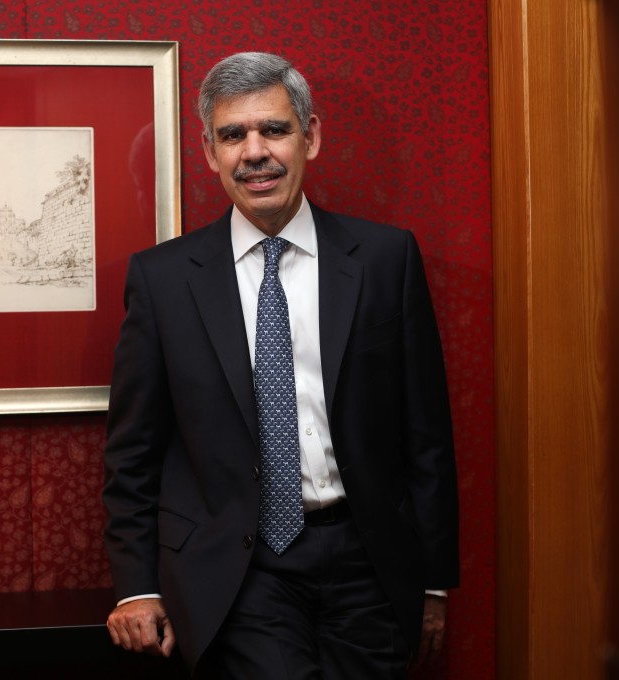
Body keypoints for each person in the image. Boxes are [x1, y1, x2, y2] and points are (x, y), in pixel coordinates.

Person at [102, 51, 459, 679]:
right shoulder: (162, 281)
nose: (254, 152)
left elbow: (425, 437)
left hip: (368, 560)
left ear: (310, 136)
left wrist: (432, 581)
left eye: (274, 129)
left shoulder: (385, 259)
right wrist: (136, 583)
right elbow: (133, 450)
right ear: (210, 153)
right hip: (240, 568)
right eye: (232, 135)